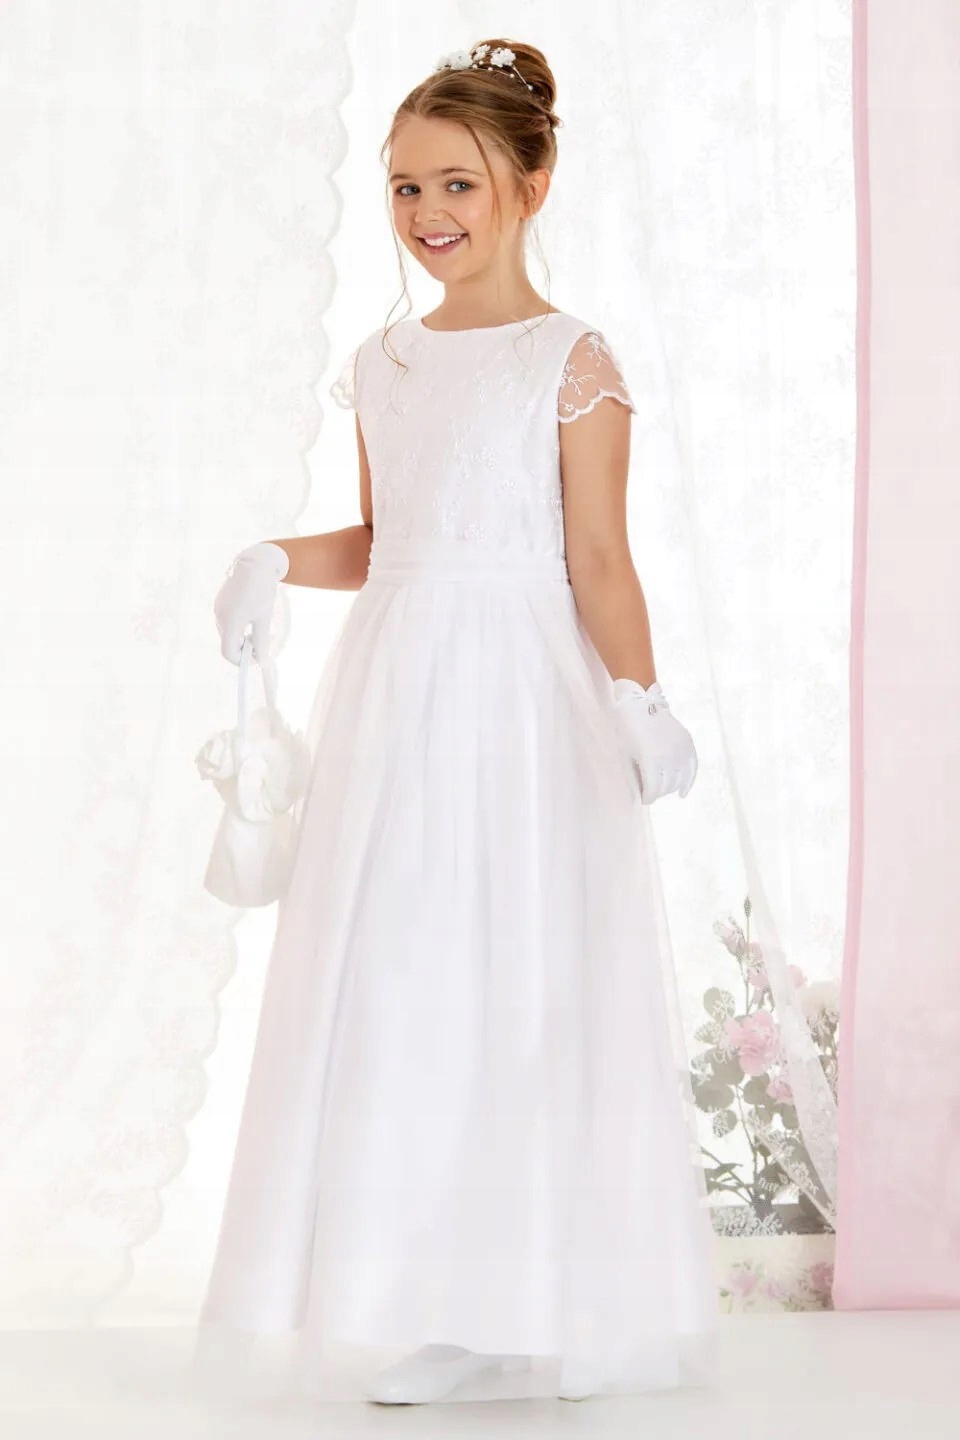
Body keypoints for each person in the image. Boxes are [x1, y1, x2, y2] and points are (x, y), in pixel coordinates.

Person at [198, 38, 719, 1409]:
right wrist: (274, 557)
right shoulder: (384, 362)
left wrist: (640, 699)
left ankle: (538, 1295)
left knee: (526, 972)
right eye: (405, 186)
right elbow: (387, 537)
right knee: (416, 976)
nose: (428, 212)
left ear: (532, 184)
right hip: (399, 689)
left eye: (458, 183)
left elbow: (596, 555)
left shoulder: (570, 358)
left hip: (525, 696)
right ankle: (450, 1292)